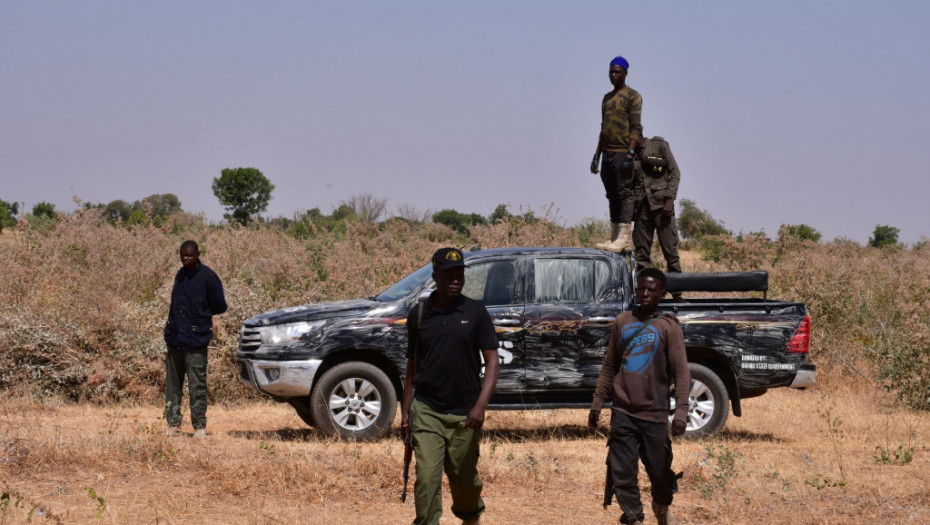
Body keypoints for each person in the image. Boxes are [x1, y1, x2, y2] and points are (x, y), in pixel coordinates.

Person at [401, 247, 500, 525]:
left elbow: (492, 363)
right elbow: (412, 367)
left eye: (459, 274)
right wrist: (406, 411)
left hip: (465, 414)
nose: (455, 279)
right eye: (448, 274)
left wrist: (480, 406)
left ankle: (471, 518)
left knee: (464, 482)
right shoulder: (418, 315)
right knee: (427, 479)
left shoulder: (476, 312)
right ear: (435, 276)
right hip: (427, 411)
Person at [588, 268, 690, 525]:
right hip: (623, 412)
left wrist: (681, 412)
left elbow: (681, 372)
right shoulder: (622, 321)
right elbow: (610, 365)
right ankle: (633, 517)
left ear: (661, 294)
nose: (644, 293)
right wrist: (597, 404)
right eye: (641, 288)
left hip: (654, 414)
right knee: (622, 472)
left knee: (659, 473)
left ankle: (662, 503)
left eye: (651, 289)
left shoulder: (669, 327)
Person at [163, 240, 227, 438]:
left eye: (189, 255)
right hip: (175, 339)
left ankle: (199, 427)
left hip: (196, 340)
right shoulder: (180, 275)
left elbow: (220, 306)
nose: (185, 258)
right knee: (173, 385)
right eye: (182, 255)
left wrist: (200, 315)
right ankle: (173, 424)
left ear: (198, 254)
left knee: (197, 385)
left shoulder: (208, 277)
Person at [591, 54, 644, 253]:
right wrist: (597, 155)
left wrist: (630, 154)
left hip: (623, 152)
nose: (613, 75)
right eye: (611, 71)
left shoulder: (633, 96)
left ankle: (624, 237)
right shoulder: (606, 98)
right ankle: (614, 236)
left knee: (624, 193)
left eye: (617, 72)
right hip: (608, 153)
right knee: (612, 194)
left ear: (625, 73)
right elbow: (603, 129)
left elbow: (635, 127)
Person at [632, 136, 683, 286]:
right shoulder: (629, 154)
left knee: (671, 254)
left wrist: (669, 199)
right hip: (641, 210)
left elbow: (675, 173)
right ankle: (646, 293)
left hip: (662, 209)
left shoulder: (659, 146)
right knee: (641, 256)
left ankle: (677, 295)